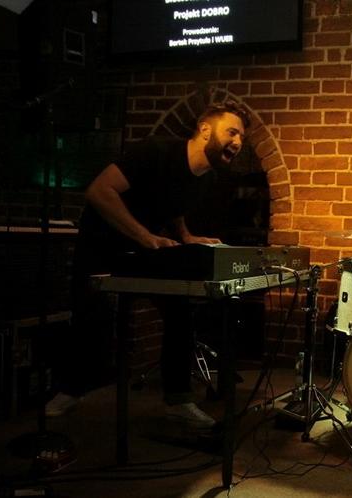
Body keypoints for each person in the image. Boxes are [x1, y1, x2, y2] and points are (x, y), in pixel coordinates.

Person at [45, 101, 250, 430]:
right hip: (101, 245)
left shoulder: (204, 176)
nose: (238, 142)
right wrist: (145, 236)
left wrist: (185, 236)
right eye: (232, 132)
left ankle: (178, 400)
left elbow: (172, 205)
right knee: (91, 318)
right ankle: (69, 389)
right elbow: (99, 190)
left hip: (143, 247)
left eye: (241, 136)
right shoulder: (156, 151)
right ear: (205, 130)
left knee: (179, 305)